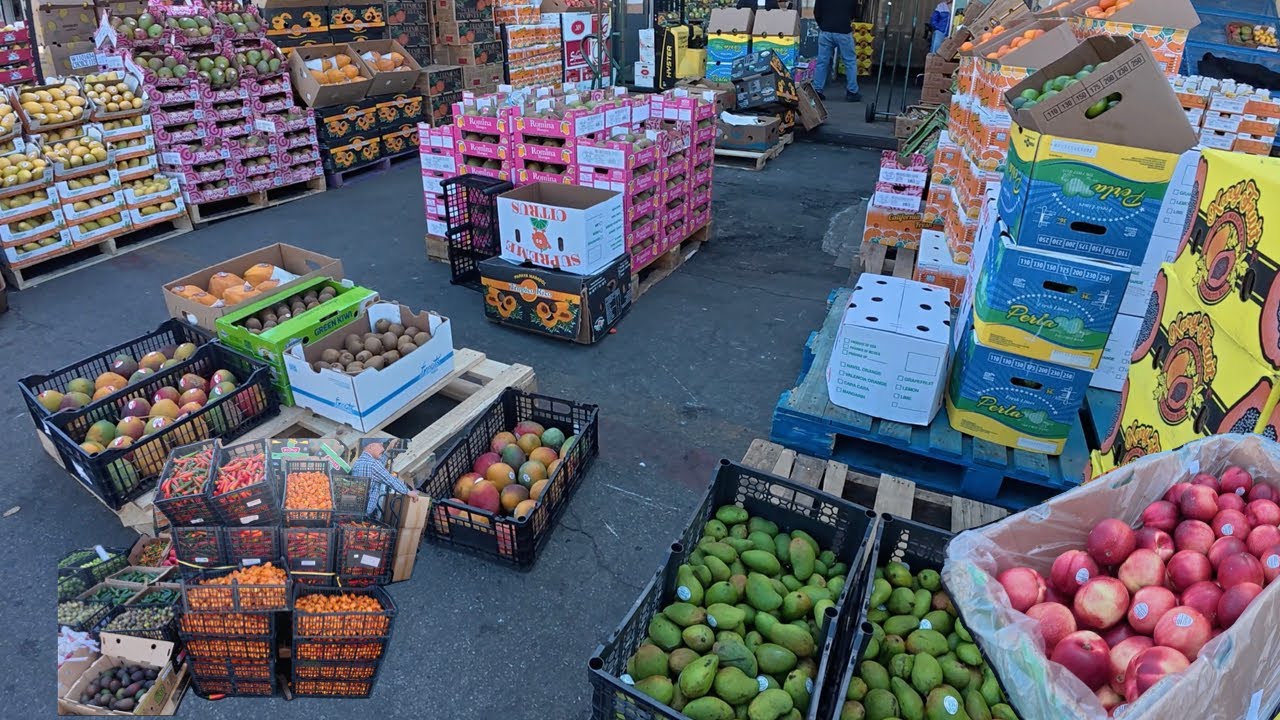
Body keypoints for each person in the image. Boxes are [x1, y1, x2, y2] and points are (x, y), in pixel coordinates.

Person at [350, 441, 414, 519]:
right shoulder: (373, 464)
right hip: (364, 512)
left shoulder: (360, 461)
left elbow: (379, 467)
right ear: (371, 446)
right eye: (380, 446)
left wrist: (388, 451)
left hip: (356, 509)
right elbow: (390, 479)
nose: (383, 448)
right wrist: (408, 491)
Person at [813, 0, 861, 101]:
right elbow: (855, 14)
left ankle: (817, 91)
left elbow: (817, 13)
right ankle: (852, 92)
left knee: (822, 62)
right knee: (850, 62)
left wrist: (823, 25)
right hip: (844, 31)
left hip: (826, 31)